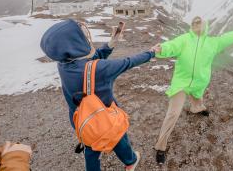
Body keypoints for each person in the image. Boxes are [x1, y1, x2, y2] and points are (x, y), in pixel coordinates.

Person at [40, 19, 157, 171]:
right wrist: (152, 52)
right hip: (104, 116)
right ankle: (131, 161)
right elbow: (129, 62)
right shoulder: (100, 69)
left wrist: (112, 42)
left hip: (81, 119)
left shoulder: (64, 63)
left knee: (91, 147)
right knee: (117, 136)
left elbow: (92, 60)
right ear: (74, 41)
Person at [152, 16, 233, 164]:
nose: (197, 26)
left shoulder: (212, 43)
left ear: (205, 27)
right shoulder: (184, 39)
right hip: (181, 83)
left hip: (199, 83)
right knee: (173, 113)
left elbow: (228, 37)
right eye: (195, 23)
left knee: (197, 99)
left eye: (200, 24)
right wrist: (161, 48)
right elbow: (171, 46)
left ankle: (197, 108)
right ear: (192, 25)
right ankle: (161, 147)